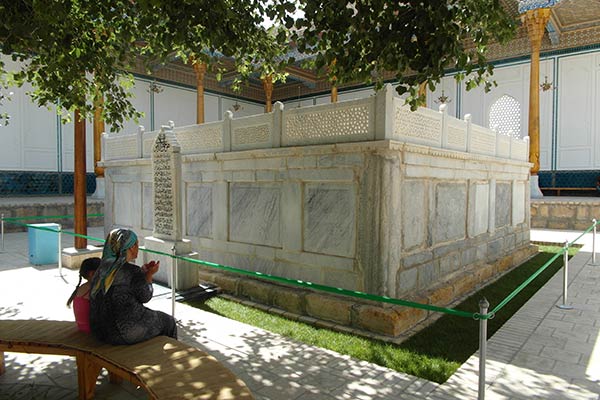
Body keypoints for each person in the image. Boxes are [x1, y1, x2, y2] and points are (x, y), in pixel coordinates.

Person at [89, 228, 177, 344]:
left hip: (100, 331)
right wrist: (149, 275)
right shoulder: (132, 271)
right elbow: (145, 296)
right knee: (168, 322)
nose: (137, 247)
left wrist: (142, 273)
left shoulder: (101, 270)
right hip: (125, 332)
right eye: (136, 244)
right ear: (130, 247)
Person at [67, 257, 101, 333]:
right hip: (92, 329)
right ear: (92, 273)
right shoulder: (95, 290)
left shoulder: (81, 288)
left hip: (82, 327)